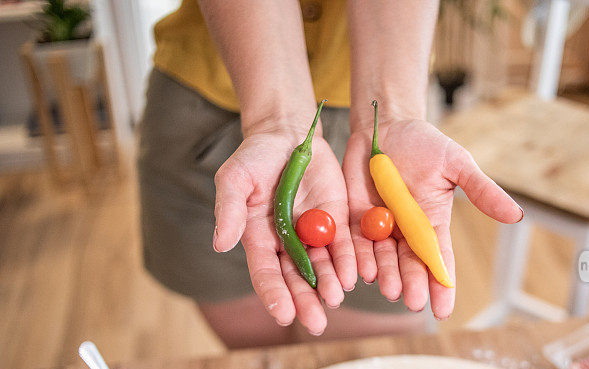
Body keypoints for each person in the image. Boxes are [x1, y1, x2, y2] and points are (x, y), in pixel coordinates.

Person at [138, 0, 522, 348]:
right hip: (205, 98)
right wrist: (275, 121)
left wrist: (393, 115)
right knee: (260, 357)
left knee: (361, 365)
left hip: (368, 102)